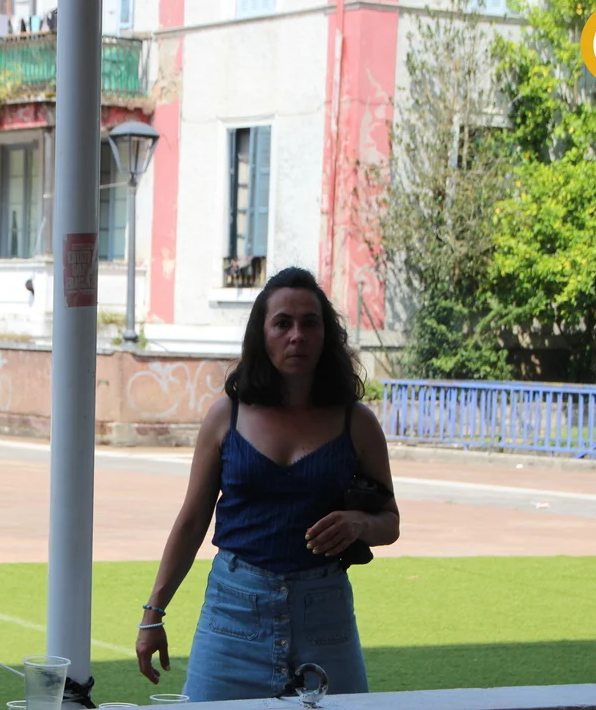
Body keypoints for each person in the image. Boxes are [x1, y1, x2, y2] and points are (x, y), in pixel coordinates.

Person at [134, 267, 400, 702]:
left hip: (325, 614)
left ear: (326, 335)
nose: (297, 335)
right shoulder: (226, 416)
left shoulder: (357, 422)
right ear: (262, 334)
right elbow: (193, 520)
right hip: (233, 612)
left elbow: (389, 522)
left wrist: (358, 524)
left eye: (310, 323)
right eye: (282, 323)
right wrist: (153, 613)